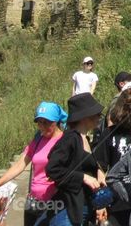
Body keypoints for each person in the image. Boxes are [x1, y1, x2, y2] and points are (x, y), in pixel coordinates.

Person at [0, 102, 64, 225]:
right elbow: (19, 165)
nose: (42, 126)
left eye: (46, 122)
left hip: (54, 202)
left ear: (56, 121)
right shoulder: (38, 139)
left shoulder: (65, 141)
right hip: (33, 202)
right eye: (39, 122)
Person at [46, 93, 110, 226]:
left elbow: (84, 165)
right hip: (67, 211)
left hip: (83, 208)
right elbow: (53, 169)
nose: (100, 117)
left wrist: (98, 170)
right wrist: (83, 177)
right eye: (97, 114)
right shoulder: (70, 138)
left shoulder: (84, 138)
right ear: (85, 117)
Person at [95, 86, 131, 226]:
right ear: (130, 107)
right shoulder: (109, 133)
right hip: (116, 200)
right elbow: (100, 169)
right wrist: (101, 202)